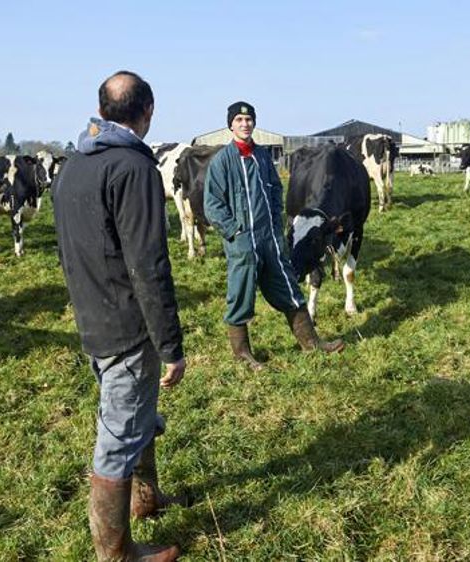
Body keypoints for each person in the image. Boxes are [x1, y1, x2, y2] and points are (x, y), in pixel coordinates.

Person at [53, 70, 187, 562]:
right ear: (147, 110)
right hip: (128, 328)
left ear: (102, 109)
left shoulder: (72, 167)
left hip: (92, 318)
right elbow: (148, 264)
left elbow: (67, 253)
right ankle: (115, 553)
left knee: (138, 414)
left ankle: (145, 499)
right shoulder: (134, 169)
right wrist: (170, 345)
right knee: (118, 434)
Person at [204, 101, 344, 370]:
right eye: (239, 120)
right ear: (230, 125)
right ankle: (242, 354)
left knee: (288, 286)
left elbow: (276, 191)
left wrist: (277, 224)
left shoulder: (263, 156)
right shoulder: (223, 161)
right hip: (243, 242)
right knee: (241, 294)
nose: (245, 124)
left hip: (270, 239)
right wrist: (234, 231)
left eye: (249, 119)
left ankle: (311, 343)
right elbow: (213, 204)